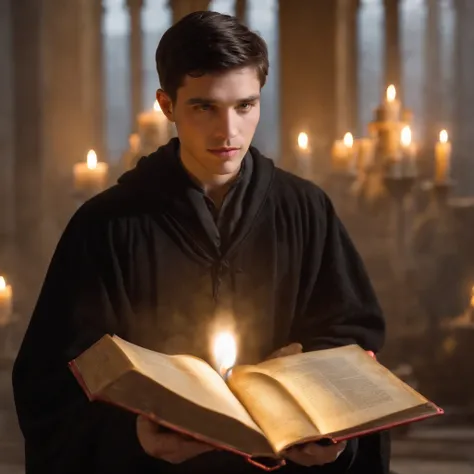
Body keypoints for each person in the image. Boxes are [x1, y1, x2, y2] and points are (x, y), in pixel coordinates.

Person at [12, 10, 389, 474]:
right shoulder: (105, 225)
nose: (228, 131)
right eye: (204, 107)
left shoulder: (307, 209)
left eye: (245, 106)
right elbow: (51, 384)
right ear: (167, 106)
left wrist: (335, 436)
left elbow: (355, 342)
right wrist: (134, 438)